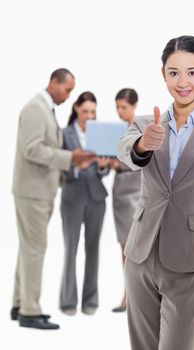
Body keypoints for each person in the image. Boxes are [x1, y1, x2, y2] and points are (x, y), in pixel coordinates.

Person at [117, 35, 194, 350]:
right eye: (174, 72)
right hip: (141, 257)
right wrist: (144, 144)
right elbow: (126, 153)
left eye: (192, 72)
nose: (182, 82)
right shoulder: (143, 124)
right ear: (163, 73)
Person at [11, 69, 96, 330]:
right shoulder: (36, 108)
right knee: (35, 249)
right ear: (53, 82)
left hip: (39, 190)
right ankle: (30, 311)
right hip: (33, 191)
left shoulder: (46, 110)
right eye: (67, 90)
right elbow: (32, 149)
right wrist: (70, 158)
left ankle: (19, 304)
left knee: (28, 249)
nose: (68, 96)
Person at [59, 91, 110, 316]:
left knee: (93, 249)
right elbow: (58, 164)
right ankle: (68, 301)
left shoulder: (99, 134)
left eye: (93, 111)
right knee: (71, 249)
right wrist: (75, 168)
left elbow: (106, 169)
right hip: (72, 196)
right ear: (76, 109)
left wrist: (101, 165)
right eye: (86, 110)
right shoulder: (64, 134)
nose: (89, 115)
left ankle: (90, 299)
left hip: (96, 198)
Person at [110, 89, 141, 312]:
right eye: (117, 107)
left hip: (136, 191)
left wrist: (119, 163)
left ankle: (136, 295)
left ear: (134, 106)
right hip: (120, 191)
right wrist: (108, 164)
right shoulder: (115, 131)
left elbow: (141, 160)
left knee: (135, 246)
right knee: (124, 246)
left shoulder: (140, 129)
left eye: (124, 107)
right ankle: (128, 294)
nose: (120, 112)